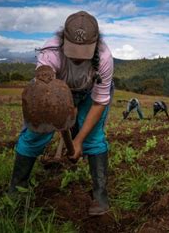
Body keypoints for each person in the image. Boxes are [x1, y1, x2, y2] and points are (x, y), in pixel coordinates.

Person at [9, 11, 114, 216]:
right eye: (73, 49)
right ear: (63, 39)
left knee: (94, 138)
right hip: (53, 92)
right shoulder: (50, 53)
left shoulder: (104, 57)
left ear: (96, 43)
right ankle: (16, 191)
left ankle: (100, 195)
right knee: (35, 134)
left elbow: (100, 101)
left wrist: (78, 141)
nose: (76, 57)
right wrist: (63, 116)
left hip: (90, 94)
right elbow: (47, 99)